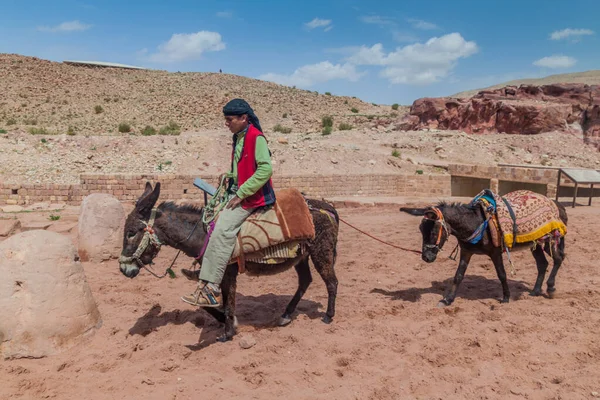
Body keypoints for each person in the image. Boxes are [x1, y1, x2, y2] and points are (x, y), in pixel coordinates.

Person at [181, 99, 275, 308]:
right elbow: (240, 166)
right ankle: (205, 274)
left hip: (252, 197)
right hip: (238, 191)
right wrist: (229, 177)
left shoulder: (256, 138)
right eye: (226, 119)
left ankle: (212, 287)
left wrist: (240, 194)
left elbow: (265, 170)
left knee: (223, 230)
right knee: (209, 219)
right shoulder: (238, 137)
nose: (227, 123)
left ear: (244, 118)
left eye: (230, 119)